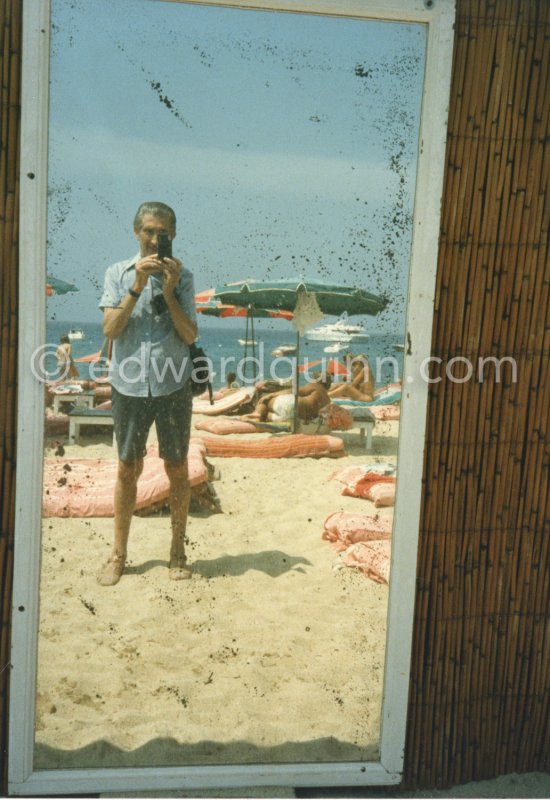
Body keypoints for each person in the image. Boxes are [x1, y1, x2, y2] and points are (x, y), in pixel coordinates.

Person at [97, 201, 198, 586]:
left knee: (177, 467)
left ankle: (177, 551)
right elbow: (110, 329)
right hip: (129, 385)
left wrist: (170, 292)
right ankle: (118, 554)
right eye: (150, 231)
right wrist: (137, 286)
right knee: (127, 468)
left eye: (164, 233)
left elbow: (189, 335)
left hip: (173, 384)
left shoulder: (183, 276)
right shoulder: (116, 273)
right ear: (137, 231)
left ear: (173, 235)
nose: (157, 239)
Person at [245, 373, 332, 423]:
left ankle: (257, 414)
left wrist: (272, 394)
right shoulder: (328, 399)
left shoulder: (316, 386)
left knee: (266, 400)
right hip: (299, 417)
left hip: (295, 406)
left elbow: (294, 391)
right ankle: (263, 416)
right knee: (268, 414)